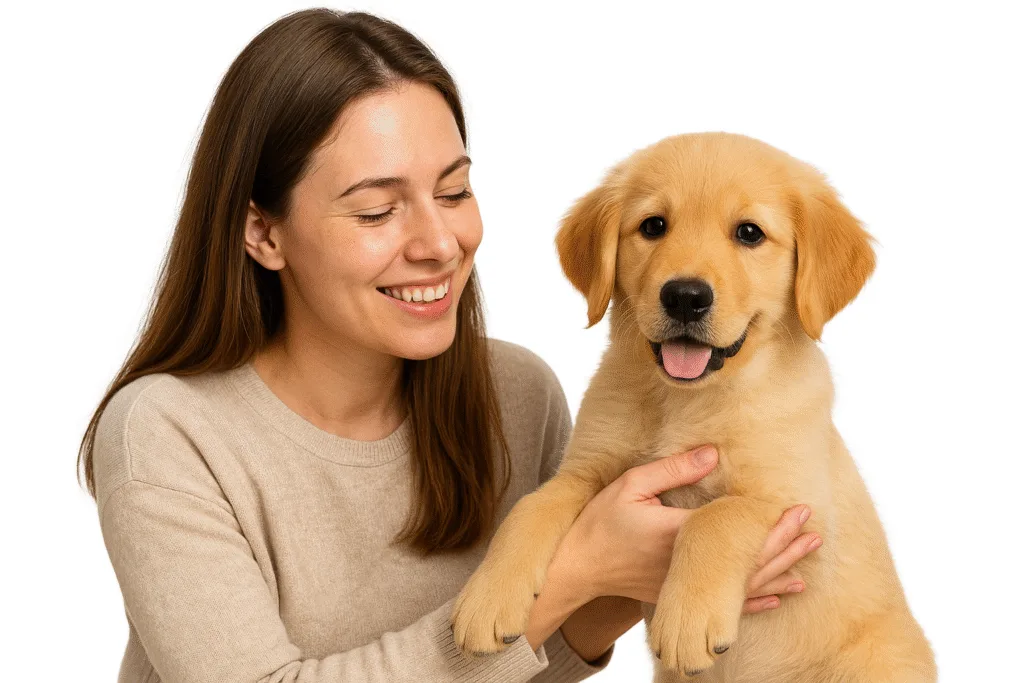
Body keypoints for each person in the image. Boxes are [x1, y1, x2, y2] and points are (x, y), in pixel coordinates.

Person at [78, 9, 821, 683]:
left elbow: (517, 668)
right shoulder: (169, 434)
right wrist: (571, 573)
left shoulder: (518, 393)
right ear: (263, 232)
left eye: (455, 191)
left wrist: (630, 579)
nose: (440, 244)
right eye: (376, 210)